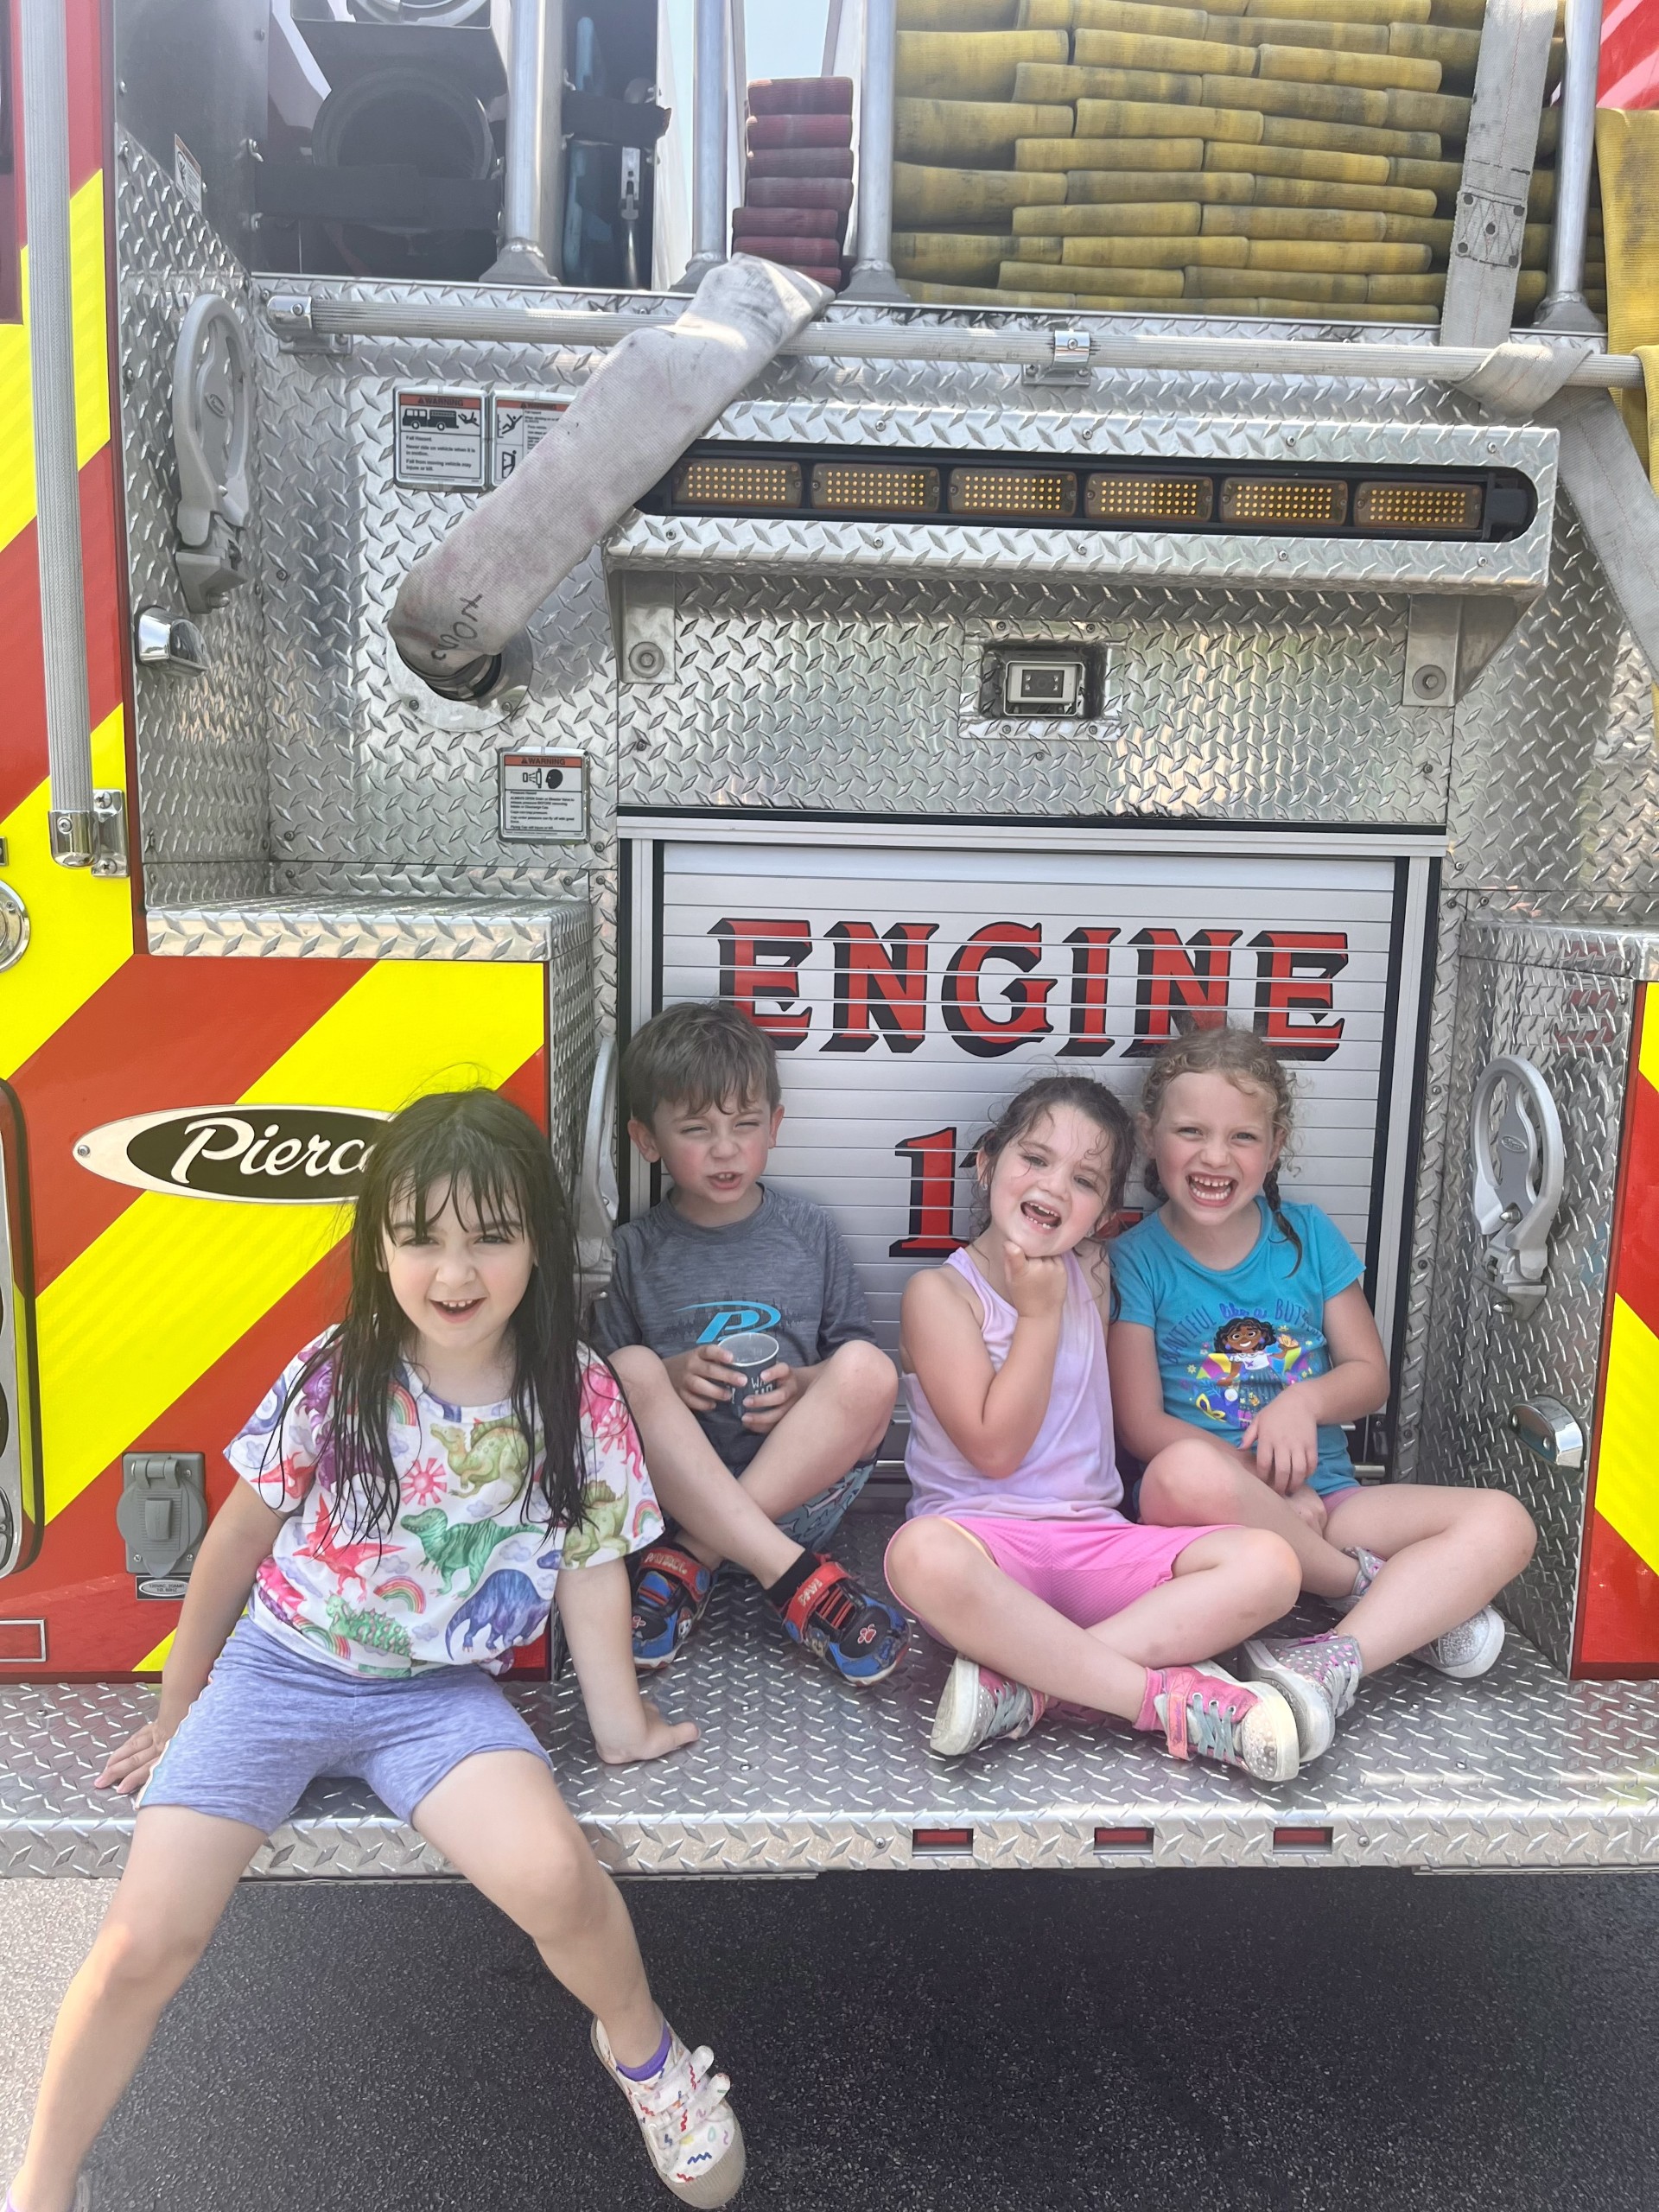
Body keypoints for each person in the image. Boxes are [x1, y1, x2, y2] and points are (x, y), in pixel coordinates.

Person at [5, 1091, 744, 2212]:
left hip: (437, 1700)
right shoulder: (335, 1371)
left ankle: (648, 2059)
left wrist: (620, 1725)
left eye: (491, 1235)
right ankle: (43, 2183)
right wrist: (177, 1713)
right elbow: (234, 1546)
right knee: (142, 1943)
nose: (457, 1270)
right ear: (380, 1247)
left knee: (558, 1878)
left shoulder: (576, 1391)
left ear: (539, 1244)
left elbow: (592, 1564)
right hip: (274, 1676)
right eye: (423, 1237)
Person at [1108, 1025, 1537, 1762]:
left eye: (1242, 1136)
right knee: (1176, 1474)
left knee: (1505, 1523)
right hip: (1211, 1512)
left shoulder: (1306, 1236)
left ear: (1274, 1147)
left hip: (1330, 1501)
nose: (1216, 1157)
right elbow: (1140, 1425)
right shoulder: (1137, 1258)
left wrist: (1302, 1404)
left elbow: (1368, 1375)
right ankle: (1369, 1591)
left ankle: (1332, 1659)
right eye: (1190, 1132)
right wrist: (1257, 1485)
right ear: (1151, 1136)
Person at [883, 1073, 1306, 1781]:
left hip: (1094, 1545)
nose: (1052, 1187)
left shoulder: (1096, 1274)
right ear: (988, 1163)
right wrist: (1039, 1315)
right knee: (917, 1556)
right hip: (984, 1553)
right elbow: (994, 1450)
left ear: (1106, 1215)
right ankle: (1164, 1703)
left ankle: (1028, 1685)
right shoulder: (941, 1293)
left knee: (1270, 1566)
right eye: (1035, 1159)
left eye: (1085, 1181)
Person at [590, 1001, 907, 1685]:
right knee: (626, 1366)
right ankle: (795, 1584)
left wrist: (807, 1385)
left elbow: (856, 1368)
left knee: (869, 1369)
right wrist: (668, 1376)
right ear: (648, 1141)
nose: (726, 1148)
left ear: (776, 1126)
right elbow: (599, 1402)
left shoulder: (810, 1233)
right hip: (674, 1500)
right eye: (697, 1129)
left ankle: (693, 1564)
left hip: (796, 1505)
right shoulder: (632, 1253)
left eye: (745, 1124)